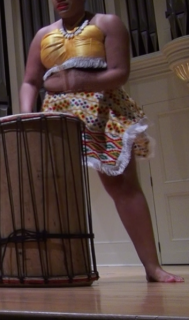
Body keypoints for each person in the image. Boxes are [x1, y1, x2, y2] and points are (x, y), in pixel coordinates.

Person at [20, 0, 183, 283]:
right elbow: (30, 81)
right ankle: (53, 267)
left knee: (124, 186)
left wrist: (74, 81)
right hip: (57, 115)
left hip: (103, 108)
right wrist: (26, 115)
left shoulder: (108, 23)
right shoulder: (42, 35)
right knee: (51, 190)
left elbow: (120, 72)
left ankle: (152, 267)